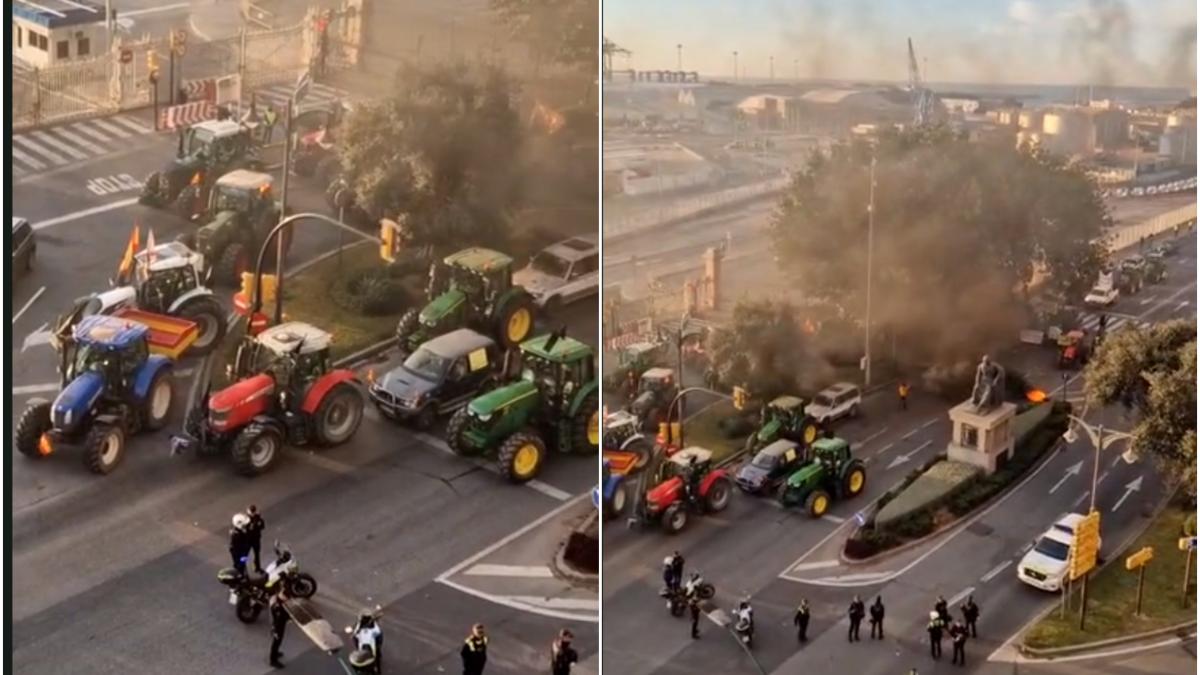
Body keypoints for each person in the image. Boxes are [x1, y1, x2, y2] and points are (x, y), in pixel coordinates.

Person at [268, 590, 290, 668]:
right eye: (286, 598)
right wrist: (275, 631)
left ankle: (276, 653)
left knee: (278, 641)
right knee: (276, 642)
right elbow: (279, 619)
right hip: (277, 626)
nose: (287, 599)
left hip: (278, 624)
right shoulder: (278, 608)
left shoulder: (276, 598)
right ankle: (273, 660)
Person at [246, 505, 266, 574]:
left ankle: (257, 567)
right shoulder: (246, 518)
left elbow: (262, 526)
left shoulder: (258, 518)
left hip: (256, 539)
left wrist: (257, 525)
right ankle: (242, 567)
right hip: (248, 539)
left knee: (257, 554)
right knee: (245, 554)